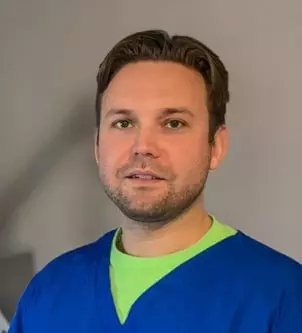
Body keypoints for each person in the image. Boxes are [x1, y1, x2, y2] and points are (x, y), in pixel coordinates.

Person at [9, 29, 302, 333]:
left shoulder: (282, 298)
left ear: (216, 147)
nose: (143, 145)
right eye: (123, 123)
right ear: (98, 146)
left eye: (173, 123)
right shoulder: (50, 290)